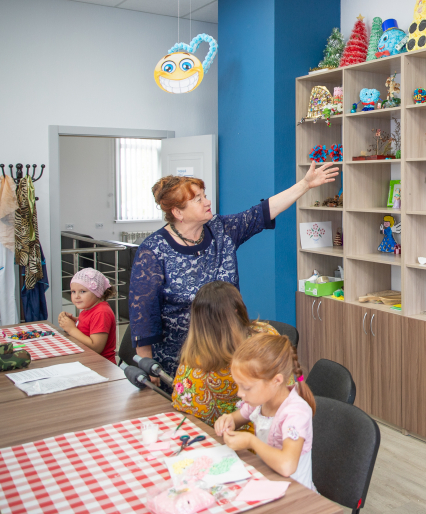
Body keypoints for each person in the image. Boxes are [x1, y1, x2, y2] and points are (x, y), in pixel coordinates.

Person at [129, 162, 337, 384]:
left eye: (204, 195)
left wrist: (305, 184)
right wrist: (148, 366)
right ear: (178, 212)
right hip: (181, 365)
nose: (207, 201)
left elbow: (262, 212)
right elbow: (144, 315)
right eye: (198, 199)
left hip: (230, 358)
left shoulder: (221, 230)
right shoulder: (153, 250)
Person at [214, 333, 316, 491]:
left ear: (276, 380)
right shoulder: (260, 401)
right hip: (268, 481)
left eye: (246, 387)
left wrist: (251, 441)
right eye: (238, 385)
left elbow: (287, 466)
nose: (240, 393)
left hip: (296, 494)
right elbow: (236, 419)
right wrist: (226, 421)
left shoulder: (295, 413)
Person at [172, 280, 280, 428]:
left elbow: (185, 411)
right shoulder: (267, 334)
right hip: (273, 430)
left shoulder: (195, 366)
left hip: (230, 437)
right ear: (237, 310)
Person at [57, 268, 117, 364]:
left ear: (97, 293)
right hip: (88, 361)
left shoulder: (102, 312)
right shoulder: (89, 309)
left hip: (101, 365)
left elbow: (96, 348)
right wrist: (74, 321)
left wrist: (71, 329)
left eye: (82, 291)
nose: (76, 296)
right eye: (73, 291)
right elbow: (89, 325)